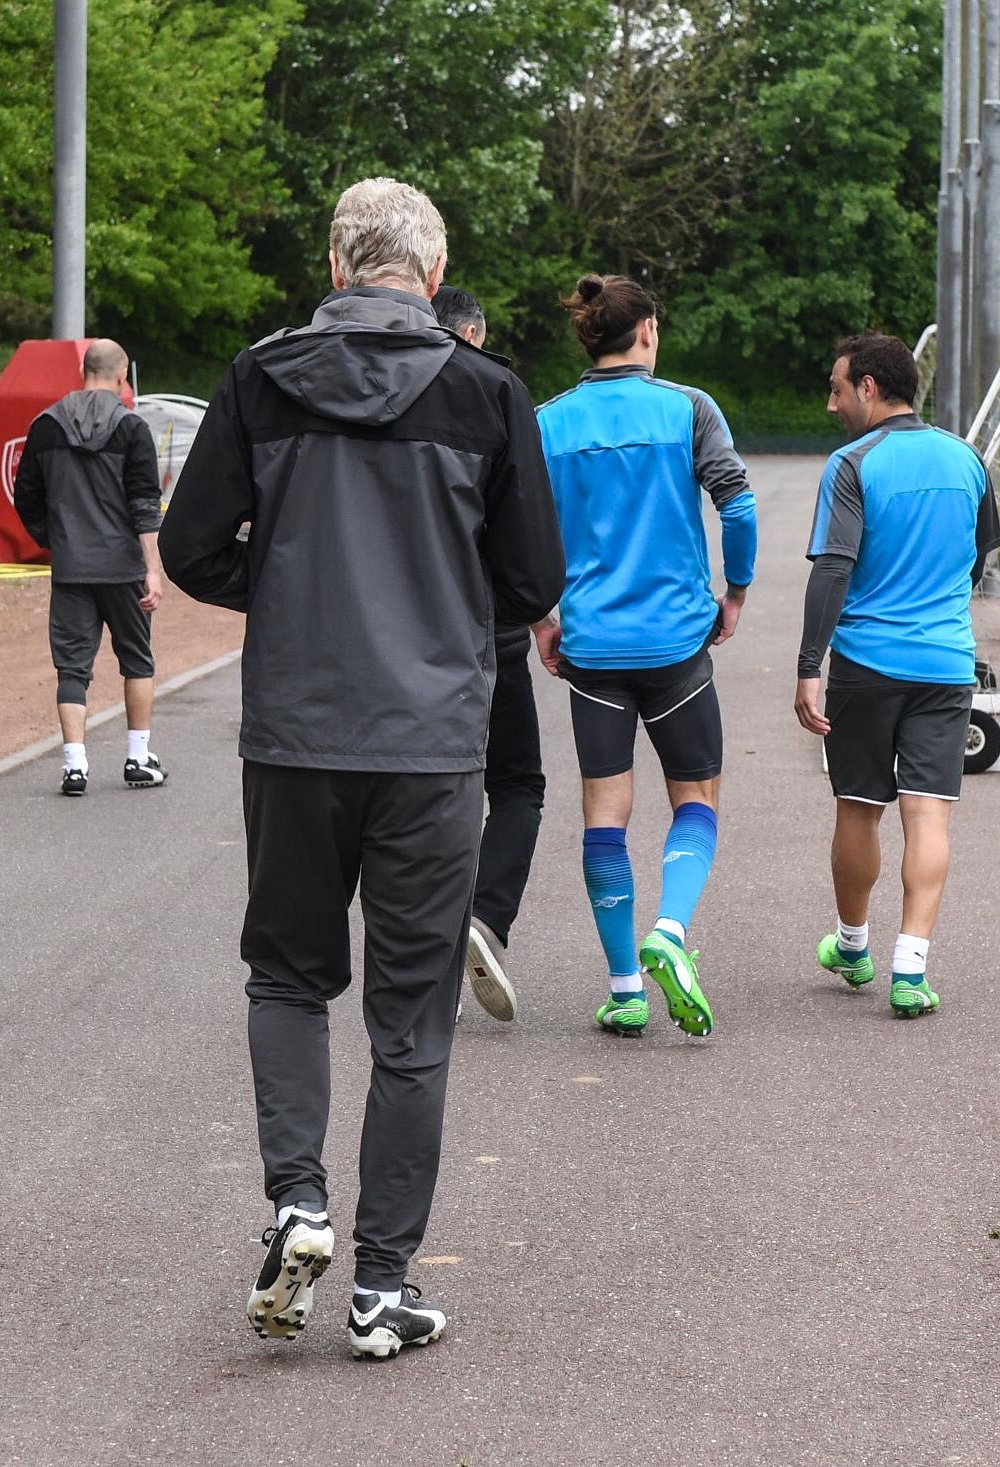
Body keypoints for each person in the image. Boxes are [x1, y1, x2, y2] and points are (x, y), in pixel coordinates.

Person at [158, 178, 564, 1359]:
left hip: (295, 730)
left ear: (336, 267)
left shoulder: (258, 376)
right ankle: (382, 1288)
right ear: (431, 278)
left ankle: (297, 1200)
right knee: (411, 1016)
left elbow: (190, 547)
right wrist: (439, 615)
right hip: (430, 741)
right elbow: (531, 579)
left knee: (288, 979)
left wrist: (291, 589)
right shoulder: (487, 392)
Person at [534, 274, 757, 1038]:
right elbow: (738, 502)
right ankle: (669, 928)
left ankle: (625, 987)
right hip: (676, 644)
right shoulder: (688, 408)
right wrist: (736, 589)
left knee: (605, 813)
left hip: (591, 647)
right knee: (695, 799)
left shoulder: (548, 421)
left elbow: (518, 534)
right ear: (649, 331)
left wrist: (541, 619)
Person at [794, 332, 1000, 1018]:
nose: (832, 404)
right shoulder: (967, 458)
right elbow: (980, 555)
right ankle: (911, 969)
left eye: (837, 389)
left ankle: (853, 947)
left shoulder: (852, 464)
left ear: (870, 387)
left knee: (859, 805)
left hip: (867, 663)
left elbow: (833, 568)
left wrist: (808, 666)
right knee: (928, 811)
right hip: (946, 662)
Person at [431, 284, 546, 1022]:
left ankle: (423, 954)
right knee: (517, 785)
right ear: (473, 334)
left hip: (409, 636)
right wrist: (533, 615)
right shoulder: (498, 395)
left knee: (430, 794)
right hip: (489, 629)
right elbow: (527, 537)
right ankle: (485, 914)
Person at [13, 338, 167, 796]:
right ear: (122, 378)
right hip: (123, 569)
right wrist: (153, 569)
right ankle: (138, 758)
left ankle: (75, 766)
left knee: (72, 669)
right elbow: (145, 506)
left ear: (83, 372)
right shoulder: (132, 428)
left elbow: (25, 498)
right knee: (137, 660)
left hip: (71, 568)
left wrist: (56, 540)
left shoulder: (46, 426)